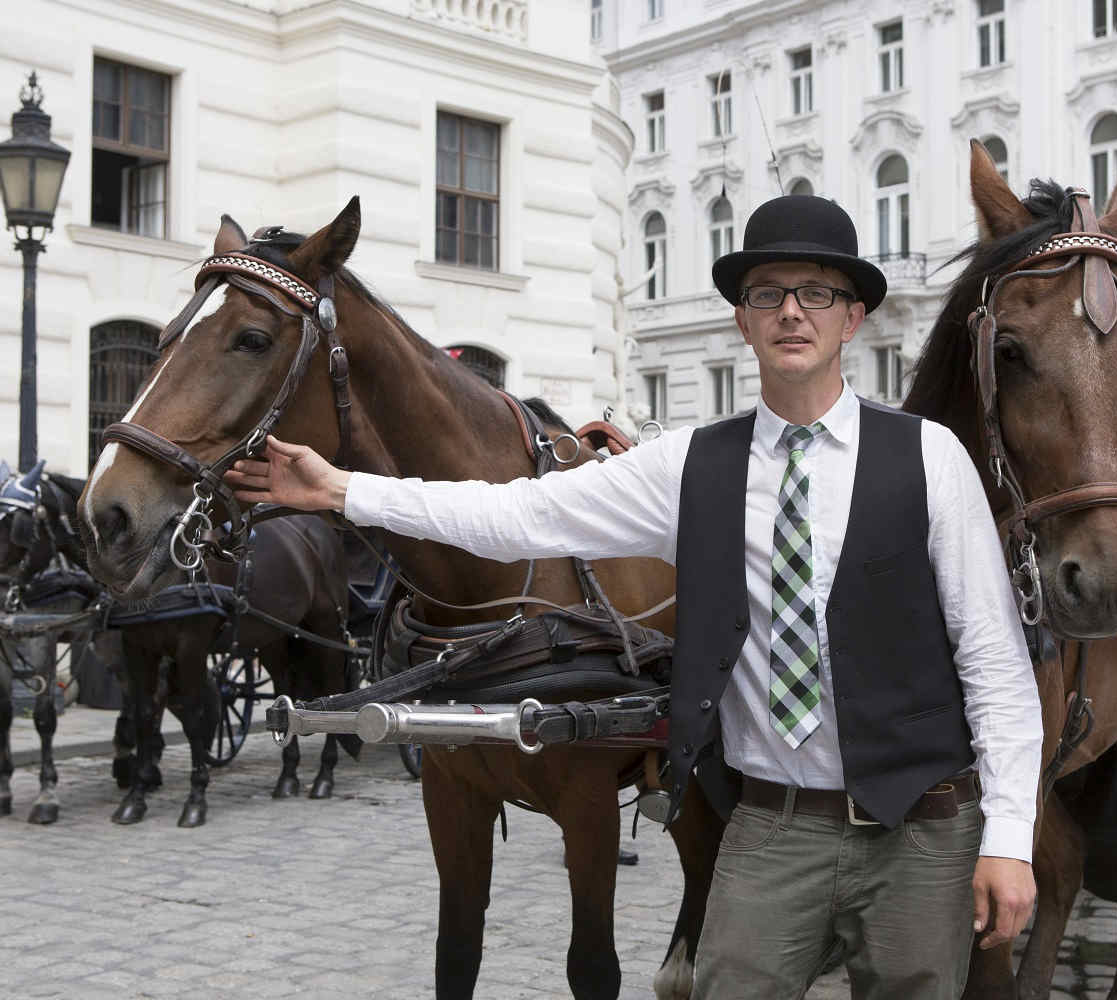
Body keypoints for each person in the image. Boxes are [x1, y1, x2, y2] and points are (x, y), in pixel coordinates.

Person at [225, 194, 1041, 998]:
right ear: (743, 321)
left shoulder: (930, 458)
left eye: (817, 293)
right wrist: (343, 492)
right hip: (771, 831)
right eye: (768, 294)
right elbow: (519, 513)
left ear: (852, 318)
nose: (793, 312)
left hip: (922, 830)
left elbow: (995, 664)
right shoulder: (688, 465)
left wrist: (1008, 838)